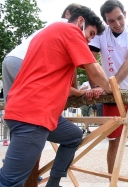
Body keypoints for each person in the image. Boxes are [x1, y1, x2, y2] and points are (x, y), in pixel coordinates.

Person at [0, 6, 112, 187]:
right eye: (91, 33)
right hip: (33, 115)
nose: (88, 40)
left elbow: (55, 81)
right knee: (9, 184)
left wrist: (81, 92)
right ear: (80, 22)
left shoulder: (47, 35)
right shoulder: (70, 31)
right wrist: (110, 89)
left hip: (33, 111)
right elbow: (94, 71)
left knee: (73, 136)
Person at [88, 0, 128, 187]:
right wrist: (95, 86)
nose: (117, 24)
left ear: (125, 13)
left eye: (119, 18)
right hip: (109, 95)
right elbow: (89, 59)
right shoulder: (101, 34)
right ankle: (112, 185)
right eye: (111, 21)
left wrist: (112, 85)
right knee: (113, 141)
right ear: (106, 21)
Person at [1, 3, 83, 147]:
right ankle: (24, 161)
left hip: (10, 59)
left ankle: (17, 155)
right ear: (69, 14)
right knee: (34, 116)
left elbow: (71, 65)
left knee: (13, 113)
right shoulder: (67, 26)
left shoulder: (50, 28)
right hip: (24, 62)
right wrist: (77, 91)